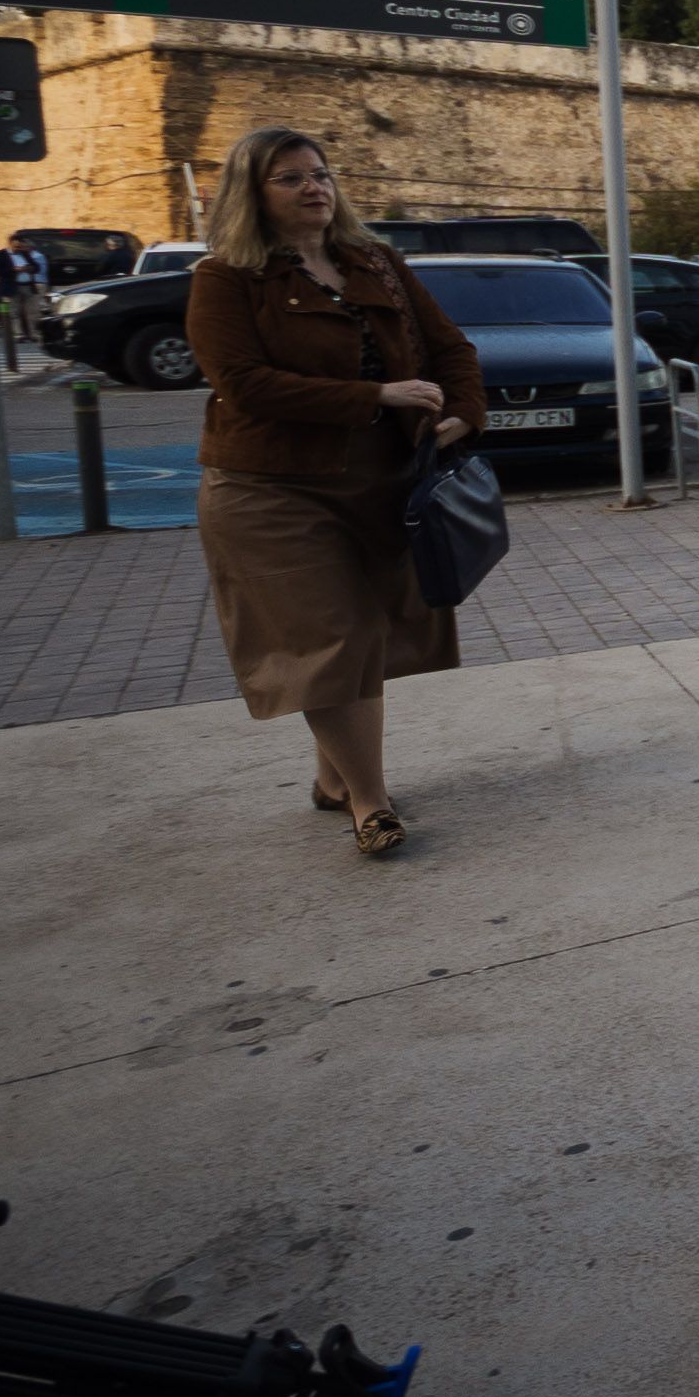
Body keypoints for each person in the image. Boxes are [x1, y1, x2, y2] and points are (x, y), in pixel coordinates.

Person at [185, 128, 485, 858]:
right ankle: (369, 802)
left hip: (380, 484)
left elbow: (451, 349)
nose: (313, 187)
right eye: (289, 179)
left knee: (362, 638)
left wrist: (462, 415)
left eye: (320, 174)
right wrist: (376, 394)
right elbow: (244, 384)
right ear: (251, 194)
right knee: (332, 638)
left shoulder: (376, 263)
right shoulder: (225, 277)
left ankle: (331, 777)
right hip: (269, 488)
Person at [0, 232, 50, 361]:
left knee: (32, 311)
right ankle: (18, 334)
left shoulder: (25, 254)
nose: (19, 249)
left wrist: (29, 268)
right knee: (14, 312)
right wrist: (14, 270)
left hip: (27, 285)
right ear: (10, 243)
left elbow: (37, 267)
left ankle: (34, 334)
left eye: (21, 246)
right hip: (11, 286)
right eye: (16, 246)